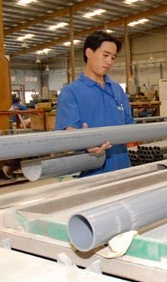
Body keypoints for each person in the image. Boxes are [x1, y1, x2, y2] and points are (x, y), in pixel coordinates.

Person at [55, 31, 134, 176]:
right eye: (105, 55)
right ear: (89, 53)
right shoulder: (71, 92)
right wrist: (84, 141)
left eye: (113, 57)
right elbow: (68, 130)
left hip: (123, 169)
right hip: (91, 174)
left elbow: (132, 128)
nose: (109, 61)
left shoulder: (117, 90)